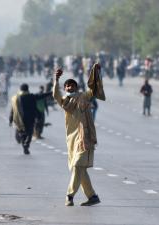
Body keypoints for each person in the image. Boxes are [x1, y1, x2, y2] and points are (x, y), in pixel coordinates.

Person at [53, 63, 105, 207]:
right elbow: (55, 95)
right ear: (65, 89)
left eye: (72, 85)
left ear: (76, 87)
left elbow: (93, 88)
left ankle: (69, 196)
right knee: (80, 170)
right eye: (67, 86)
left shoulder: (84, 96)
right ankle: (92, 196)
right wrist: (56, 80)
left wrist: (96, 72)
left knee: (77, 166)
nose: (69, 87)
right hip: (72, 140)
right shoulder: (64, 101)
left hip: (85, 138)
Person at [9, 84, 52, 154]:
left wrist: (10, 120)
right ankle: (27, 144)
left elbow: (13, 110)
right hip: (30, 118)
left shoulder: (16, 98)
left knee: (22, 133)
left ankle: (24, 145)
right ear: (27, 89)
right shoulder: (31, 96)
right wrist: (51, 92)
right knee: (30, 133)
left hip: (20, 119)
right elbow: (41, 96)